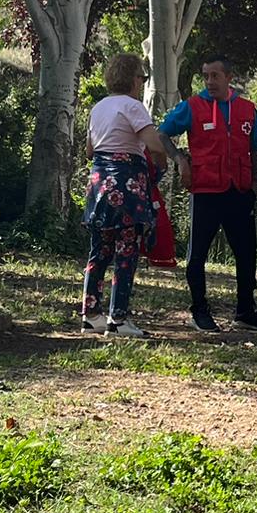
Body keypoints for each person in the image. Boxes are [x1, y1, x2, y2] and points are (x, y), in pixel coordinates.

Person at [159, 55, 257, 334]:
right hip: (206, 190)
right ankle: (199, 310)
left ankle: (245, 311)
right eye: (205, 76)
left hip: (239, 190)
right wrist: (179, 159)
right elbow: (162, 133)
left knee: (246, 253)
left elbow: (256, 147)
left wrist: (255, 183)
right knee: (197, 253)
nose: (209, 82)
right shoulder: (193, 106)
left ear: (228, 77)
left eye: (215, 76)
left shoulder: (247, 109)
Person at [81, 53, 167, 338]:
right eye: (141, 78)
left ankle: (91, 313)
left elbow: (90, 151)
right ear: (133, 79)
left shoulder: (99, 107)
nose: (142, 83)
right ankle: (118, 318)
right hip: (126, 183)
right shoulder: (133, 106)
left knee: (99, 251)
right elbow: (154, 143)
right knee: (126, 251)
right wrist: (164, 161)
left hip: (98, 182)